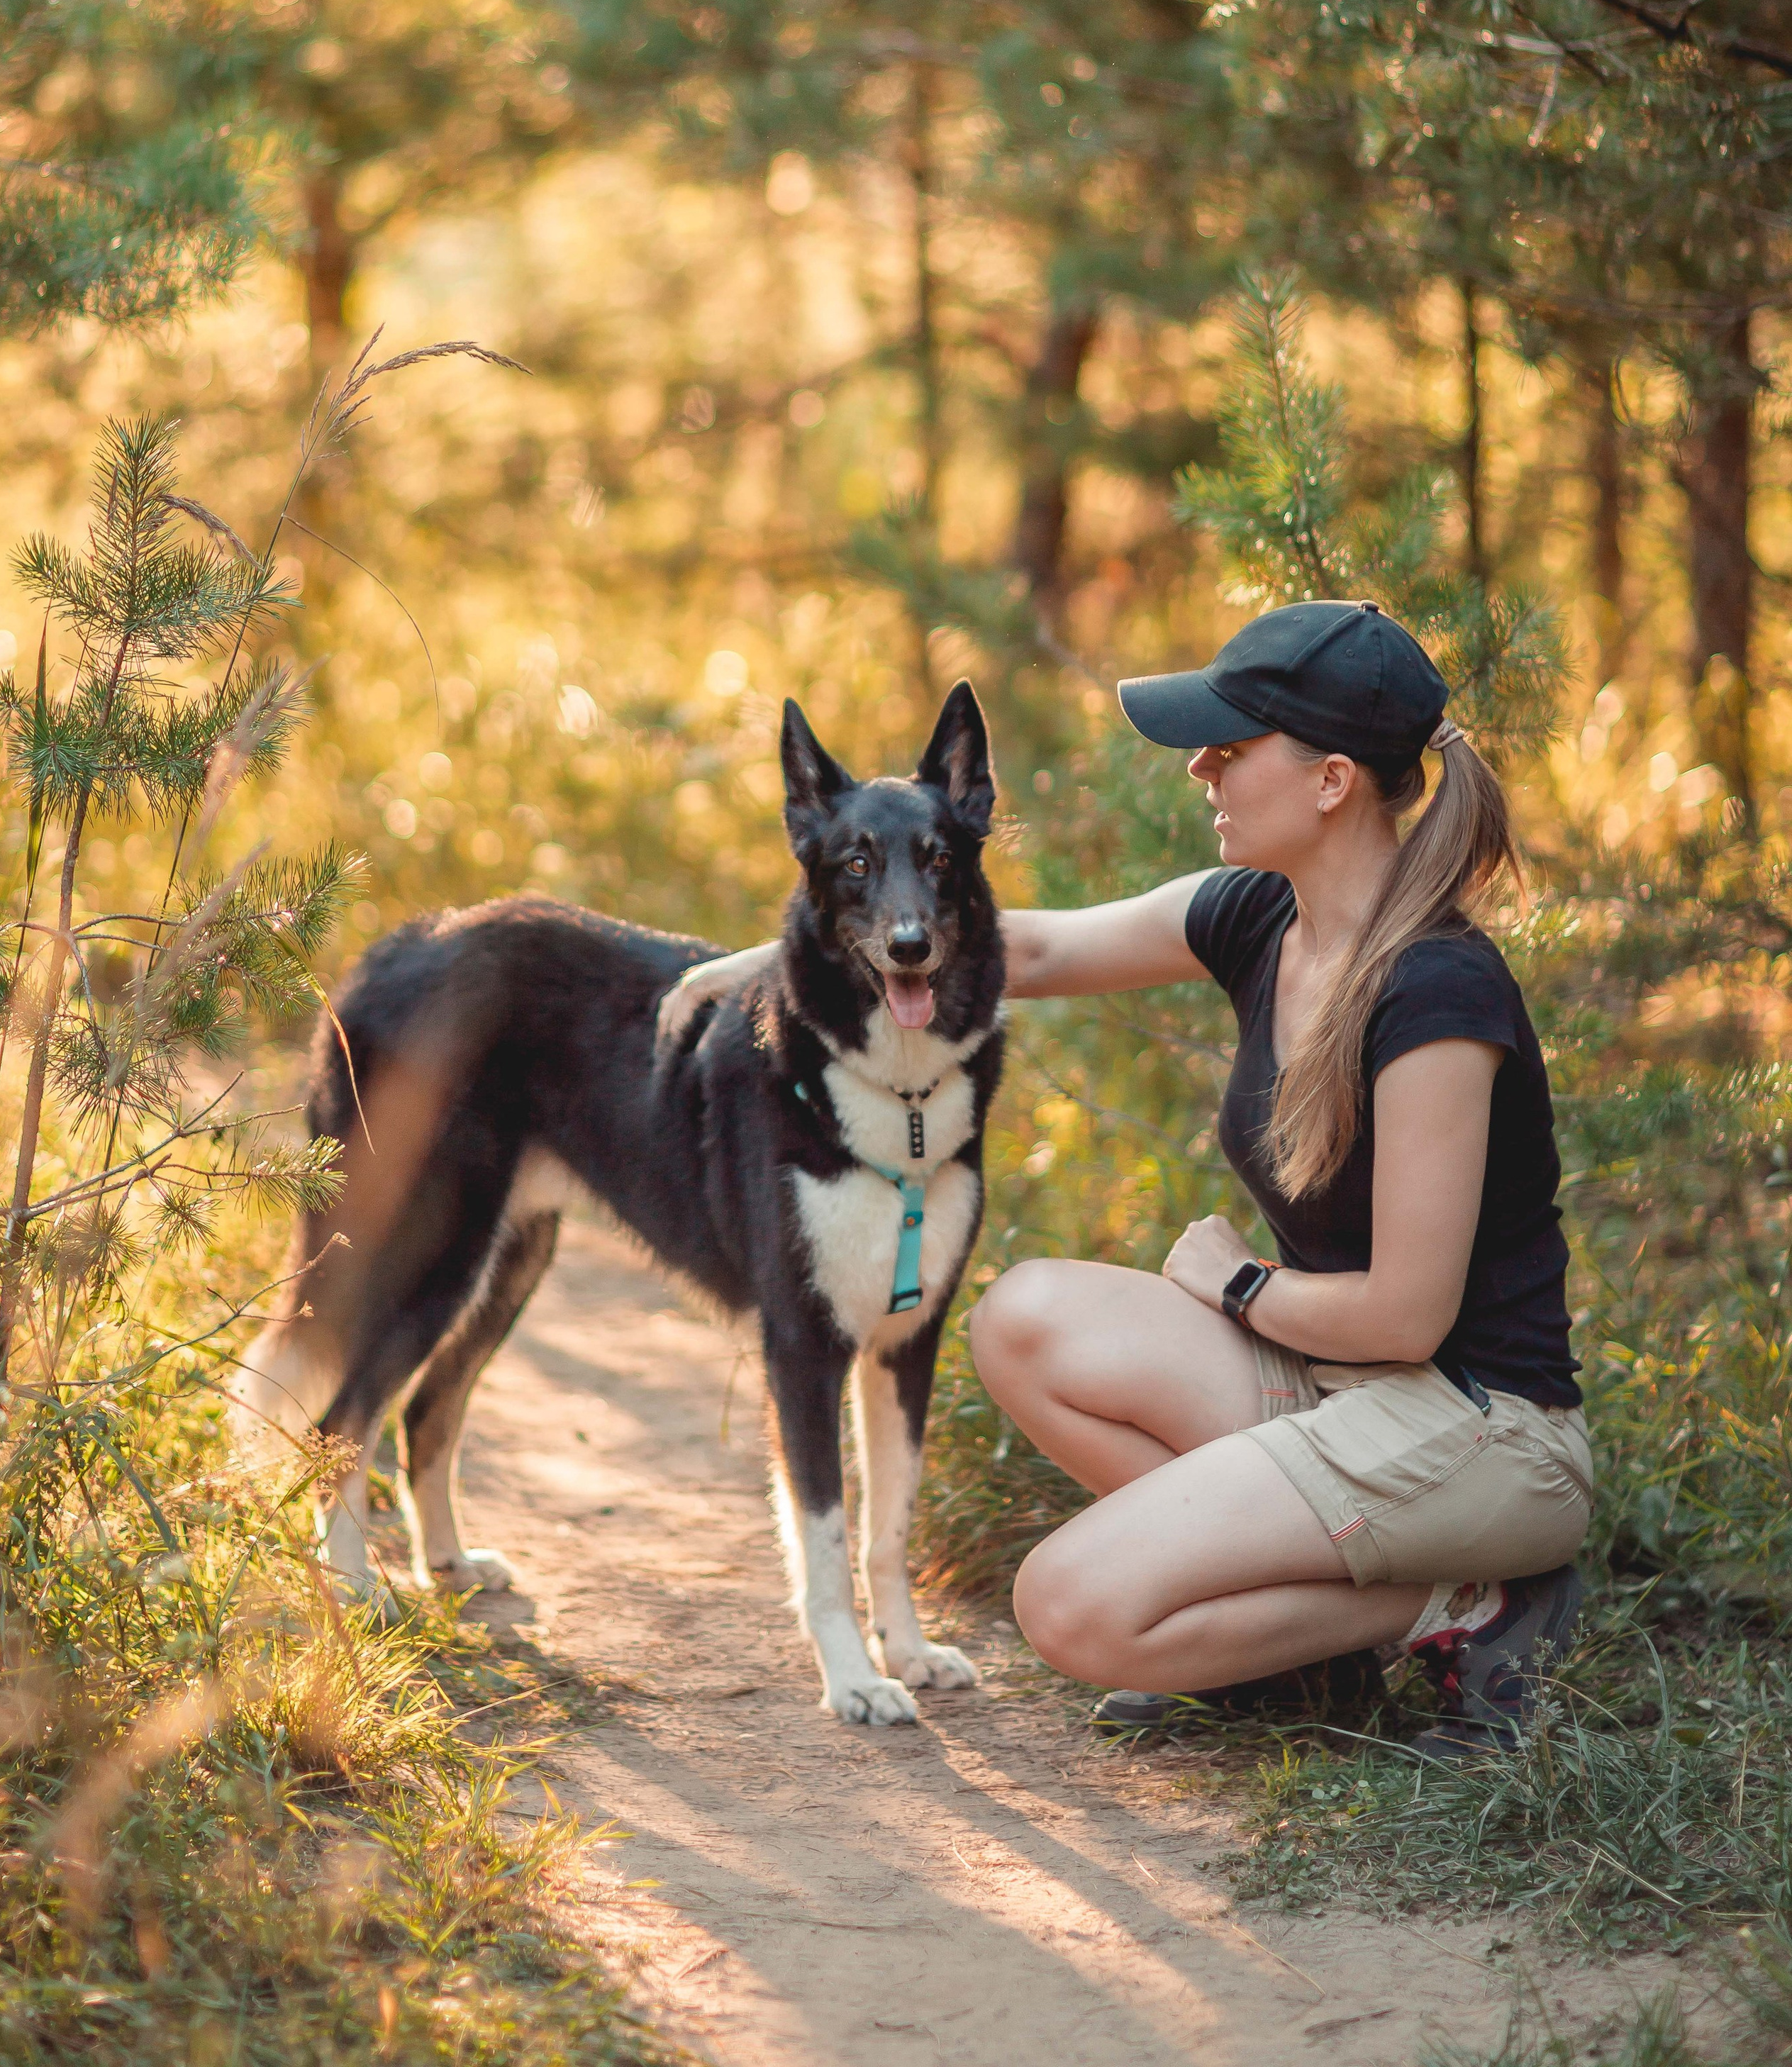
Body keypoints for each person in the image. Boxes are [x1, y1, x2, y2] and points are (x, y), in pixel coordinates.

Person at [662, 602, 1591, 1759]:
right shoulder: (1265, 917)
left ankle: (1472, 1606)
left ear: (1333, 782)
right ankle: (1294, 1647)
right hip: (1344, 1386)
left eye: (1232, 746)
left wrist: (1235, 1284)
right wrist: (765, 962)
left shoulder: (1437, 995)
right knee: (1024, 1322)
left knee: (1069, 1608)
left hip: (1481, 1429)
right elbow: (1027, 950)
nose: (1201, 766)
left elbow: (1409, 1316)